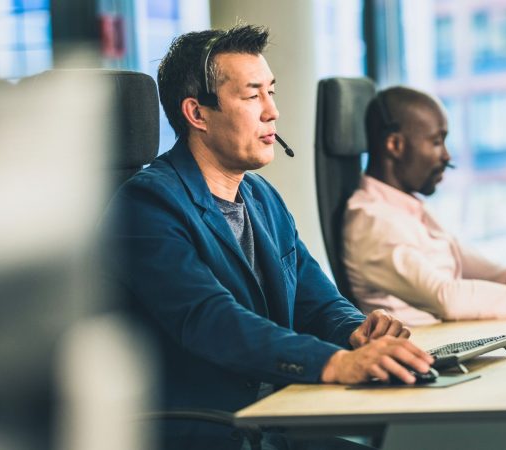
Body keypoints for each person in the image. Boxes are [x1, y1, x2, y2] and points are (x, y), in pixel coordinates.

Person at [101, 26, 433, 450]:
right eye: (252, 95)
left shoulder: (260, 196)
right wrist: (335, 363)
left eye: (271, 92)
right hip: (207, 432)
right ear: (197, 114)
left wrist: (357, 333)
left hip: (271, 423)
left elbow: (317, 301)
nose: (272, 111)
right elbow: (213, 320)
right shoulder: (146, 204)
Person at [342, 86, 506, 327]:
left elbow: (500, 275)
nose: (447, 156)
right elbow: (447, 297)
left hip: (447, 336)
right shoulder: (370, 221)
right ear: (395, 145)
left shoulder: (410, 210)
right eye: (437, 142)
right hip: (421, 352)